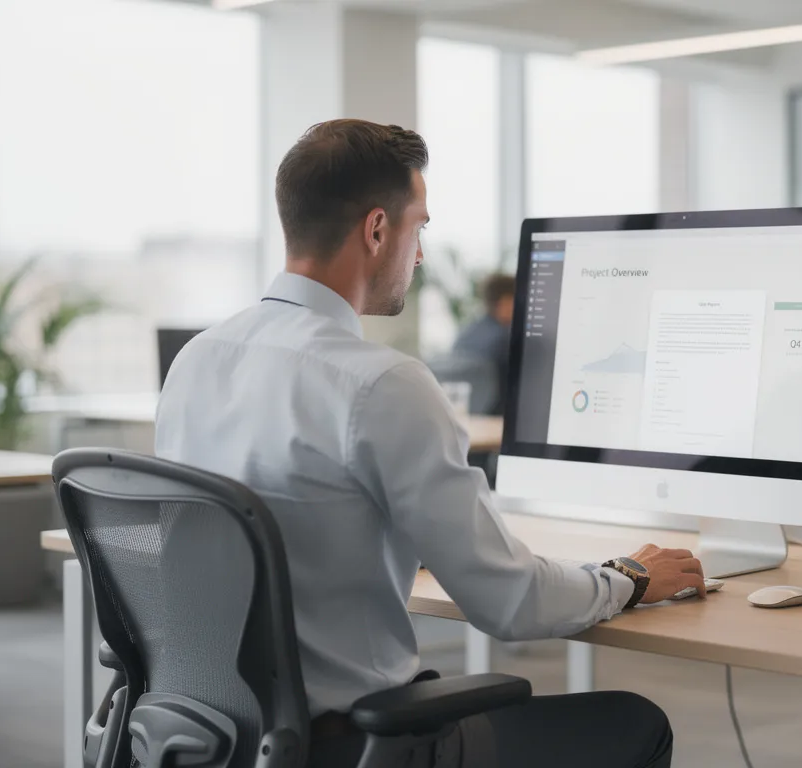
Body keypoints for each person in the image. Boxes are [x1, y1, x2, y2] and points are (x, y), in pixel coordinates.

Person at [155, 119, 702, 768]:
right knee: (633, 722)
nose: (418, 255)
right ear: (378, 229)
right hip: (350, 745)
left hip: (209, 736)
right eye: (420, 228)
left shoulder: (196, 360)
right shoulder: (381, 384)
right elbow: (511, 602)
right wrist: (628, 577)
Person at [452, 273, 515, 414]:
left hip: (470, 422)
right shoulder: (504, 340)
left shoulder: (464, 334)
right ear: (505, 302)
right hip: (497, 421)